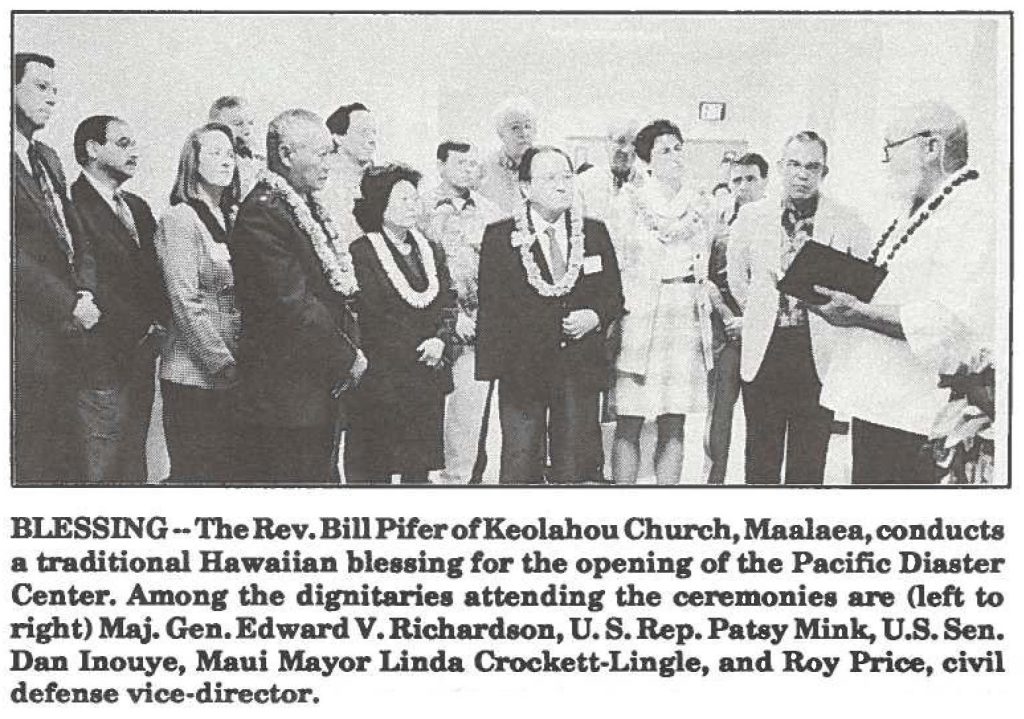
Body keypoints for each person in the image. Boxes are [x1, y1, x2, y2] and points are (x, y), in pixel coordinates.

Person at [816, 102, 994, 484]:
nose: (886, 162)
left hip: (919, 413)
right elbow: (894, 286)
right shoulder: (916, 208)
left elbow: (948, 320)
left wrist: (859, 313)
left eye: (891, 148)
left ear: (931, 147)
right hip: (880, 401)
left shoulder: (972, 211)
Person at [229, 109, 364, 483]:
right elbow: (293, 305)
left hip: (314, 387)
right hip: (285, 396)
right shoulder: (263, 213)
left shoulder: (301, 207)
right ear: (287, 155)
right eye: (321, 154)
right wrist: (347, 356)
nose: (328, 164)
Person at [728, 131, 871, 484]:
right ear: (780, 167)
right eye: (793, 164)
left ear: (824, 172)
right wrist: (762, 311)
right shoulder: (752, 217)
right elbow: (737, 278)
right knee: (760, 457)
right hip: (765, 348)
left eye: (812, 166)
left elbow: (859, 287)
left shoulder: (848, 220)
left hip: (817, 352)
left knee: (809, 460)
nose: (802, 174)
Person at [476, 146, 624, 484]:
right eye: (550, 178)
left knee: (575, 463)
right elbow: (492, 307)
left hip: (578, 367)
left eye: (567, 177)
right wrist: (496, 368)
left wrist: (595, 316)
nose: (562, 185)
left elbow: (613, 294)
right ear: (526, 188)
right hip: (521, 371)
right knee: (520, 460)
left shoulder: (594, 232)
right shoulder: (500, 237)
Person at [608, 120, 715, 485]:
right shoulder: (629, 202)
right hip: (641, 314)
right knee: (630, 417)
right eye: (665, 150)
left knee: (674, 418)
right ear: (647, 160)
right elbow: (616, 260)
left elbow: (707, 258)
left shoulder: (702, 203)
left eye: (678, 148)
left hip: (684, 314)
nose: (674, 156)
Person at [13, 52, 99, 484]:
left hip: (67, 335)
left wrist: (85, 290)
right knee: (30, 459)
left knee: (66, 459)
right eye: (40, 87)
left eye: (55, 90)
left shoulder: (47, 156)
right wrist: (67, 302)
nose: (52, 98)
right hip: (24, 335)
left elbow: (75, 234)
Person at [345, 164, 458, 484]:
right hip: (384, 378)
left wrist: (440, 340)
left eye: (415, 198)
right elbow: (374, 313)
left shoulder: (430, 249)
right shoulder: (362, 252)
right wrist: (415, 348)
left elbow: (448, 299)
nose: (413, 206)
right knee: (375, 468)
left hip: (428, 374)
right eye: (403, 199)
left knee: (418, 469)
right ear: (381, 205)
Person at [70, 115, 165, 483]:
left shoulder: (137, 207)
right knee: (101, 467)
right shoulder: (71, 203)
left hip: (141, 357)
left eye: (134, 144)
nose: (135, 152)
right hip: (101, 359)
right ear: (93, 149)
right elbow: (85, 282)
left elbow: (154, 275)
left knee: (133, 460)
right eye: (123, 144)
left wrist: (156, 328)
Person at [155, 123, 243, 482]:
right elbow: (184, 300)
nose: (226, 161)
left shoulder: (232, 217)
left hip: (234, 373)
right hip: (194, 375)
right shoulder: (180, 219)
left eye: (230, 154)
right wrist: (222, 363)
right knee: (196, 479)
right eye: (215, 153)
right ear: (194, 161)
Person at [420, 141, 503, 483]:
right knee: (427, 417)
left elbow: (499, 271)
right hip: (431, 326)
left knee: (467, 418)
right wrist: (451, 318)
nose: (469, 170)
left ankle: (460, 484)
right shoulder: (420, 208)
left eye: (473, 164)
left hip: (476, 330)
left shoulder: (491, 212)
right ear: (440, 165)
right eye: (460, 163)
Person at [702, 151, 768, 484]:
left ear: (765, 181)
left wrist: (751, 321)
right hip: (725, 333)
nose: (743, 186)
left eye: (751, 179)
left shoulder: (775, 225)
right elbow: (704, 275)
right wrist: (726, 315)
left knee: (762, 419)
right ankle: (713, 485)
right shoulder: (719, 224)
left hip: (764, 334)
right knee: (718, 416)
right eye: (737, 180)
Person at [323, 102, 377, 247]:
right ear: (338, 138)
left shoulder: (376, 180)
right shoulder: (325, 183)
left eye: (374, 133)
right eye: (363, 132)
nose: (372, 140)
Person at [577, 120, 642, 227]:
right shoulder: (583, 183)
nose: (627, 150)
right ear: (607, 144)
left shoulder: (649, 185)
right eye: (621, 141)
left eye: (635, 144)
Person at [479, 96, 537, 214]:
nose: (524, 133)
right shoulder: (484, 169)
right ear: (501, 133)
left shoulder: (545, 165)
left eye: (528, 126)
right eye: (515, 127)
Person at [208, 95, 265, 197]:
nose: (247, 130)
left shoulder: (260, 162)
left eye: (251, 123)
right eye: (238, 124)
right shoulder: (216, 166)